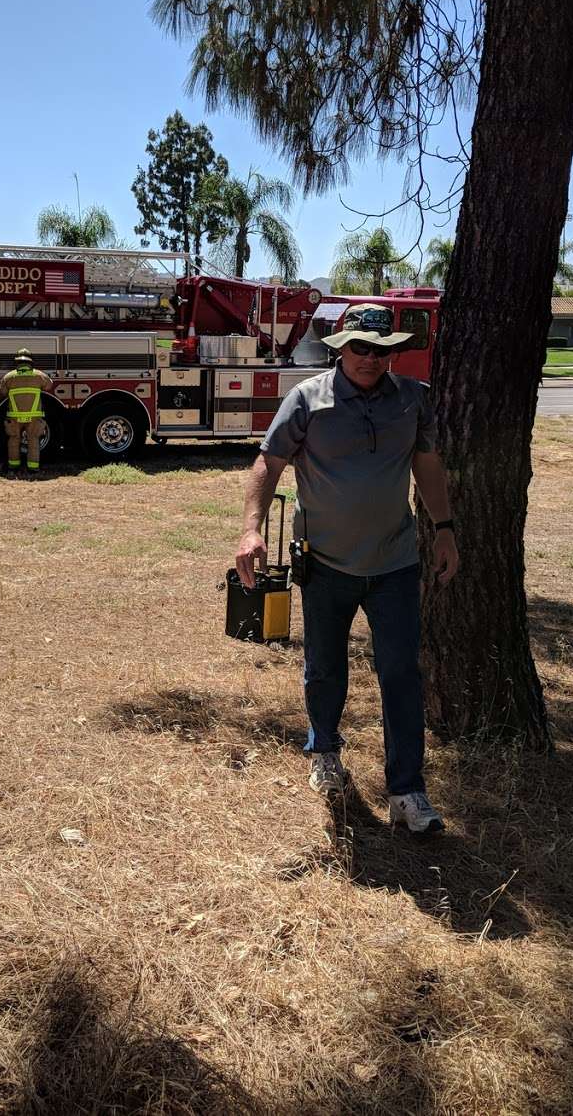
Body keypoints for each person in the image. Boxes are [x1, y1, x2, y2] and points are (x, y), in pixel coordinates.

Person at [235, 303, 459, 833]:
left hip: (395, 563)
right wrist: (251, 528)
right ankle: (325, 755)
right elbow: (268, 462)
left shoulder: (412, 400)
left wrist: (445, 527)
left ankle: (407, 791)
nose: (371, 359)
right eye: (361, 347)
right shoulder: (308, 399)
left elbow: (426, 464)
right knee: (325, 668)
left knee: (402, 674)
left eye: (382, 350)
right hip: (326, 564)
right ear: (342, 347)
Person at [0, 348, 53, 475]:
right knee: (33, 440)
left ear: (17, 362)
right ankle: (33, 469)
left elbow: (2, 392)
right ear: (30, 362)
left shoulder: (9, 377)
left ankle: (13, 467)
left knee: (14, 440)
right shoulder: (39, 376)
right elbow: (49, 386)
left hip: (14, 416)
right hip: (34, 416)